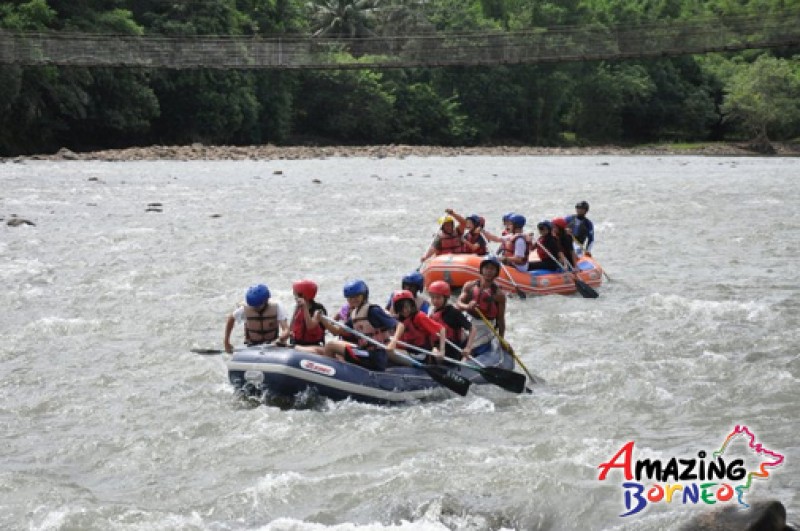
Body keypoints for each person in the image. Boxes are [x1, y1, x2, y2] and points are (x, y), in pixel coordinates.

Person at [317, 279, 401, 371]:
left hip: (375, 356)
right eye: (350, 298)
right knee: (333, 348)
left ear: (364, 295)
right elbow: (336, 332)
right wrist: (322, 319)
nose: (353, 300)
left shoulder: (373, 310)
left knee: (331, 346)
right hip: (365, 352)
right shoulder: (354, 314)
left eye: (356, 296)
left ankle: (331, 374)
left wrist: (393, 342)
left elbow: (400, 325)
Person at [456, 256, 507, 356]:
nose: (489, 271)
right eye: (486, 268)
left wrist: (502, 340)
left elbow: (501, 320)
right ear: (481, 270)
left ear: (496, 272)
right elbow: (458, 303)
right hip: (468, 321)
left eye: (492, 269)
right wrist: (467, 306)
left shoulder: (499, 295)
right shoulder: (470, 286)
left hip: (485, 325)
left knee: (471, 349)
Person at [224, 283, 289, 354]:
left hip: (272, 344)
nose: (255, 308)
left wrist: (281, 338)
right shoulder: (245, 309)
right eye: (253, 306)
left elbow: (286, 329)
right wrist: (226, 341)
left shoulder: (277, 307)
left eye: (258, 306)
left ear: (266, 301)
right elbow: (231, 318)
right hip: (252, 345)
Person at [391, 290, 446, 364]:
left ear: (411, 305)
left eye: (406, 307)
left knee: (391, 352)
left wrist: (442, 351)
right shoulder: (400, 321)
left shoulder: (419, 317)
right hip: (409, 352)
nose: (404, 311)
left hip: (421, 355)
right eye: (401, 308)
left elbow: (442, 329)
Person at [427, 280, 473, 360]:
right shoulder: (432, 311)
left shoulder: (453, 312)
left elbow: (473, 329)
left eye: (438, 298)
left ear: (445, 298)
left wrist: (468, 347)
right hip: (437, 347)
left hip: (452, 350)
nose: (435, 301)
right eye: (433, 297)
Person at [288, 279, 327, 351]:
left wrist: (305, 308)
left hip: (313, 345)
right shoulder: (298, 308)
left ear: (303, 295)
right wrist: (296, 309)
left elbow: (310, 326)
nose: (295, 297)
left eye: (296, 295)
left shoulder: (318, 309)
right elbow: (291, 328)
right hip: (298, 344)